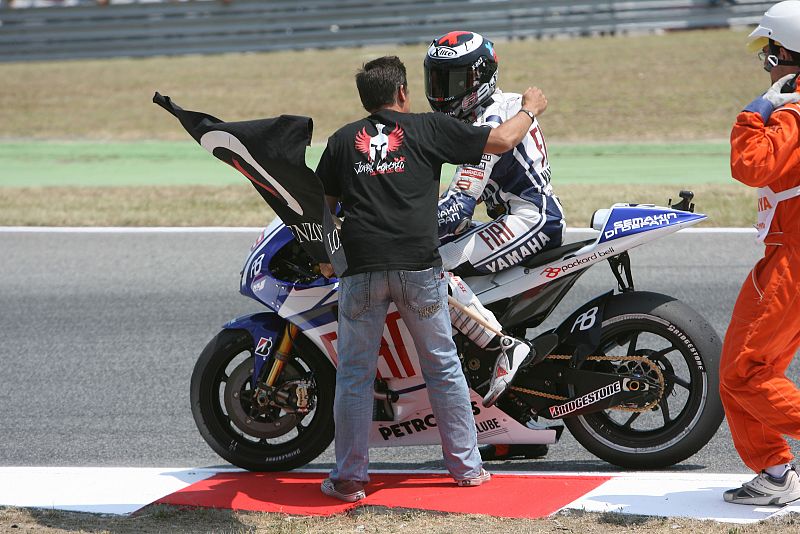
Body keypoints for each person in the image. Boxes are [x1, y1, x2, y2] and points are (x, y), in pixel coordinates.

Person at [315, 55, 547, 502]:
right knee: (442, 367)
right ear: (402, 93)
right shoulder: (428, 128)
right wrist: (530, 107)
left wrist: (328, 257)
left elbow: (322, 211)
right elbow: (502, 140)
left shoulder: (341, 141)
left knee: (355, 376)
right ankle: (467, 469)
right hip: (419, 268)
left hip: (360, 270)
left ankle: (349, 478)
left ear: (365, 99)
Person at [424, 31, 564, 418]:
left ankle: (503, 345)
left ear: (480, 77)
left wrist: (396, 226)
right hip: (515, 216)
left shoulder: (491, 120)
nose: (441, 92)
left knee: (430, 265)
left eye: (452, 81)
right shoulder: (492, 110)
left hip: (532, 219)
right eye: (436, 80)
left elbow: (457, 207)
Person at [720, 0, 800, 506]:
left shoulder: (793, 112)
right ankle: (774, 472)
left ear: (785, 55)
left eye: (768, 55)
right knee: (742, 371)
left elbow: (751, 166)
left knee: (744, 373)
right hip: (783, 252)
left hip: (793, 257)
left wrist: (757, 111)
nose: (765, 65)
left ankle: (775, 471)